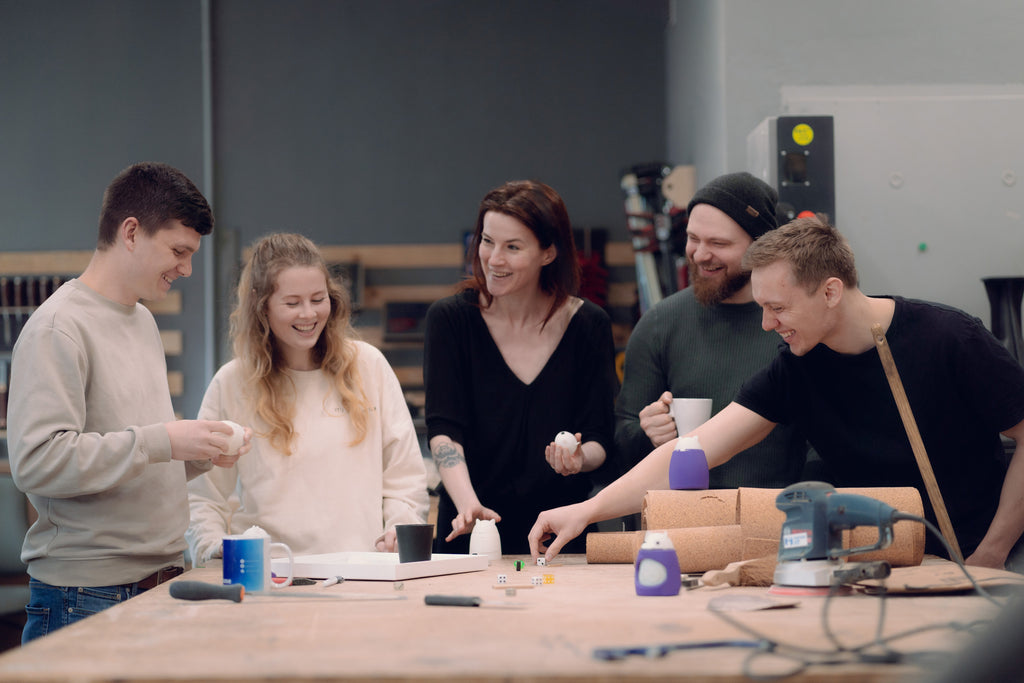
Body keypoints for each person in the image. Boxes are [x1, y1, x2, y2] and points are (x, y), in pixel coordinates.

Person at [530, 217, 1024, 570]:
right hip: (887, 560)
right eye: (763, 307)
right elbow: (695, 450)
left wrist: (994, 551)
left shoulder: (949, 338)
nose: (768, 324)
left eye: (779, 308)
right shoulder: (798, 368)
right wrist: (587, 511)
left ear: (830, 292)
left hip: (983, 555)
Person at [8, 162, 248, 643]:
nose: (187, 268)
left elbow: (133, 456)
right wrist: (162, 440)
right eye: (179, 251)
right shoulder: (59, 328)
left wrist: (193, 454)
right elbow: (37, 463)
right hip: (86, 598)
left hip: (158, 585)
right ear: (132, 232)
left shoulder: (142, 322)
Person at [186, 233, 429, 563]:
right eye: (292, 302)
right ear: (262, 306)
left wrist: (401, 530)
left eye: (318, 299)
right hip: (270, 577)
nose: (308, 314)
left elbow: (405, 477)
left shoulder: (368, 366)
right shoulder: (232, 382)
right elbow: (204, 495)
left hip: (363, 573)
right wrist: (213, 547)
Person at [425, 180, 619, 555]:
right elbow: (444, 428)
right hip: (473, 533)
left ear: (548, 253)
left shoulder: (588, 325)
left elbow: (599, 438)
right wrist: (468, 503)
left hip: (560, 537)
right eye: (486, 241)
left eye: (512, 247)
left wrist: (578, 460)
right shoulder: (450, 320)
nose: (493, 259)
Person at [615, 172, 807, 489]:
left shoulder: (796, 323)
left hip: (778, 522)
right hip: (683, 525)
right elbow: (622, 439)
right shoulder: (660, 323)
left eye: (718, 243)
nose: (700, 255)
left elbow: (826, 440)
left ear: (760, 245)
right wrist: (647, 433)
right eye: (693, 239)